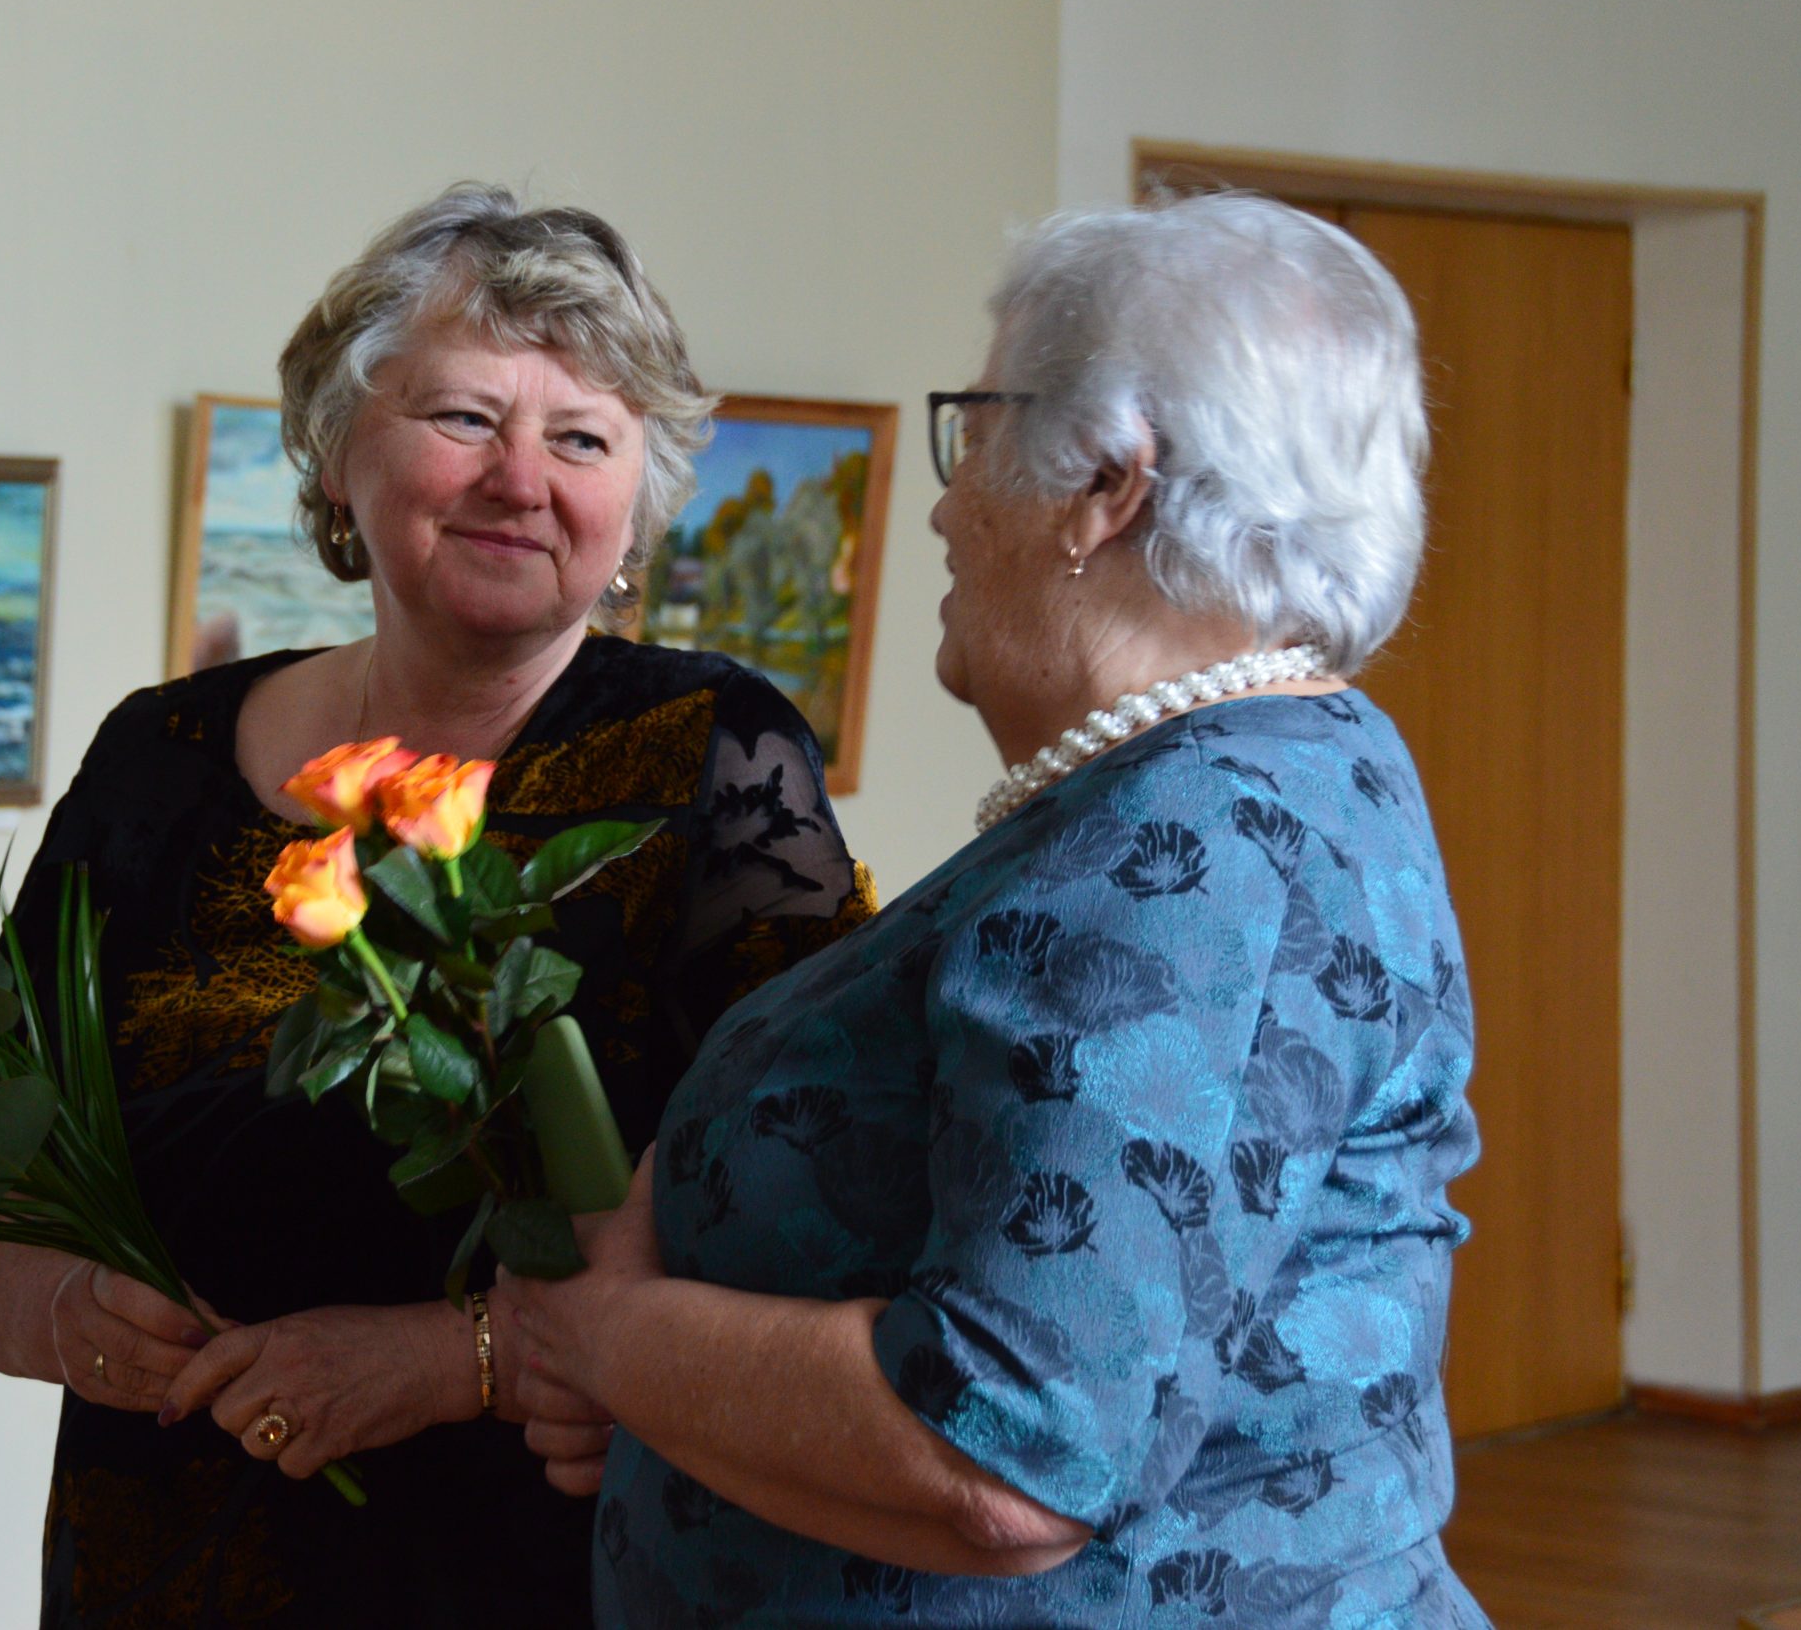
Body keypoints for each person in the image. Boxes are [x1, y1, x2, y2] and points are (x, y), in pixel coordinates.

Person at [0, 184, 875, 1627]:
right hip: (161, 1554)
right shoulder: (158, 754)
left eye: (581, 439)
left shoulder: (711, 754)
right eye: (465, 417)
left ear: (635, 507)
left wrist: (455, 1358)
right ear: (339, 451)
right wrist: (51, 1308)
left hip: (534, 1573)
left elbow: (817, 1202)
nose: (520, 480)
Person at [502, 194, 1490, 1627]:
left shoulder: (1192, 843)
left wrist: (603, 1336)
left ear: (1107, 484)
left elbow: (1007, 1453)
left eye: (977, 432)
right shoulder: (1255, 771)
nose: (945, 506)